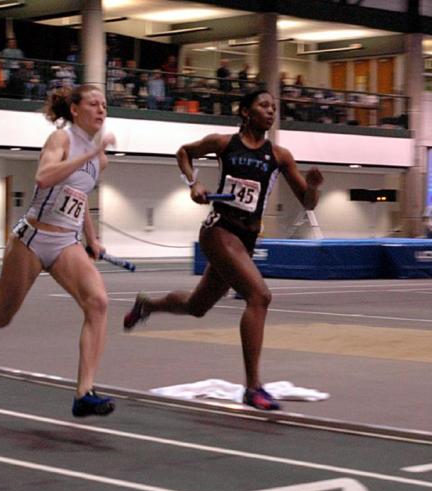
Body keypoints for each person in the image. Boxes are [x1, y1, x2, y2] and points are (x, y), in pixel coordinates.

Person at [123, 89, 323, 411]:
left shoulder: (280, 156)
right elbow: (183, 152)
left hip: (245, 240)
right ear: (245, 111)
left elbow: (308, 203)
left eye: (274, 107)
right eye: (263, 106)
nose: (271, 112)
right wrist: (194, 184)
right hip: (218, 231)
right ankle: (253, 387)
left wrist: (312, 187)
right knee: (259, 296)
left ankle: (148, 306)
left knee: (196, 306)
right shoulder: (223, 143)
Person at [0, 85, 117, 418]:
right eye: (93, 104)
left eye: (105, 105)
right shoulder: (62, 140)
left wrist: (92, 237)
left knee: (98, 302)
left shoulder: (100, 160)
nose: (101, 110)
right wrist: (88, 154)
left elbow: (80, 198)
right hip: (32, 238)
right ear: (75, 109)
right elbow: (44, 178)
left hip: (65, 243)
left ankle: (84, 392)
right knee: (1, 317)